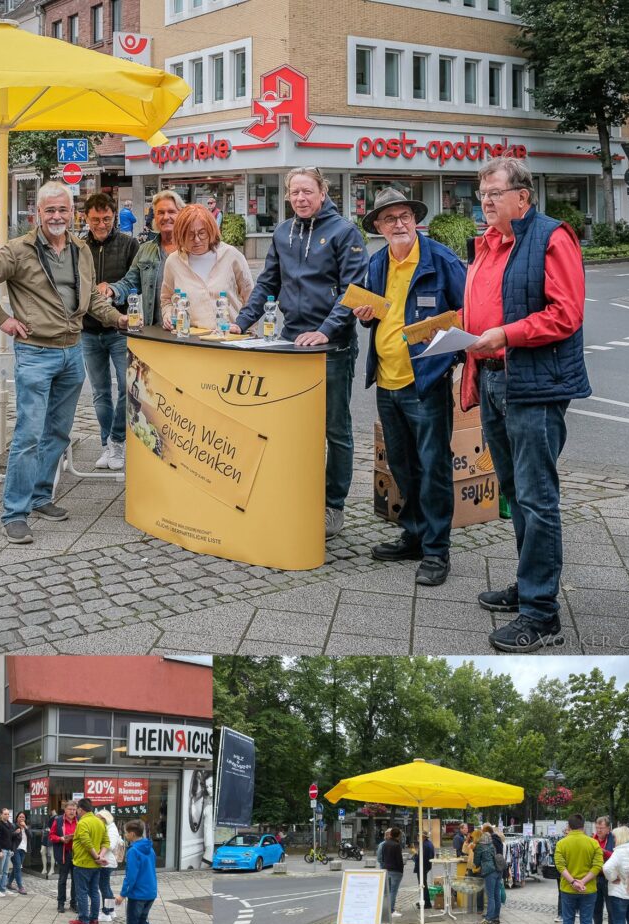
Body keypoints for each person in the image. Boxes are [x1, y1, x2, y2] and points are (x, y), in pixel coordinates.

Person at [461, 157, 589, 651]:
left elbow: (565, 315)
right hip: (495, 379)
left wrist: (504, 334)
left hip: (533, 385)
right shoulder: (489, 244)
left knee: (537, 499)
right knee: (515, 494)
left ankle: (541, 614)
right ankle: (529, 584)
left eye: (494, 192)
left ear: (523, 197)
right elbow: (491, 303)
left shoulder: (551, 237)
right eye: (482, 193)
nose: (486, 201)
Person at [0, 182, 128, 545]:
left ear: (72, 213)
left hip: (73, 352)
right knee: (27, 435)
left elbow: (90, 302)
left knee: (58, 432)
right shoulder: (18, 250)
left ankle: (41, 496)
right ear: (37, 214)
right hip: (36, 353)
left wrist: (119, 319)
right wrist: (2, 319)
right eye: (50, 211)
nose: (57, 216)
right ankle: (14, 513)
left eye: (63, 210)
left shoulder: (81, 249)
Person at [232, 168, 368, 538]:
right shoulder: (282, 232)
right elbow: (268, 284)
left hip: (333, 347)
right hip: (289, 343)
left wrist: (325, 332)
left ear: (322, 193)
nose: (301, 198)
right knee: (291, 427)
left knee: (335, 430)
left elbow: (354, 290)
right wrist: (241, 322)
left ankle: (332, 506)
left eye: (308, 191)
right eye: (294, 193)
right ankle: (295, 494)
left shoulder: (344, 232)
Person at [354, 187, 466, 583]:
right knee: (402, 464)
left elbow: (468, 309)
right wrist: (365, 315)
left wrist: (452, 351)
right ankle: (415, 534)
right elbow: (373, 313)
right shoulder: (377, 263)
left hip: (427, 382)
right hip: (387, 380)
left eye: (404, 216)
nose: (398, 224)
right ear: (379, 228)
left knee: (433, 467)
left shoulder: (441, 260)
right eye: (390, 219)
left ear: (415, 220)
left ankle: (437, 551)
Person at [81, 193, 139, 472]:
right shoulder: (78, 247)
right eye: (95, 219)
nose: (101, 224)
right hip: (88, 330)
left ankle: (117, 440)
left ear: (115, 216)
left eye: (106, 218)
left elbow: (136, 281)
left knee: (127, 387)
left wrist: (113, 289)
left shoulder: (129, 244)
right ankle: (107, 445)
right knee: (100, 391)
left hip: (120, 328)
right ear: (86, 218)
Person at [159, 203, 253, 331]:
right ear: (180, 235)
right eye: (190, 235)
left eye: (202, 233)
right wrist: (168, 315)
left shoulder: (231, 255)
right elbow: (166, 299)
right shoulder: (173, 261)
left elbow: (250, 298)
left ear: (211, 231)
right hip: (192, 341)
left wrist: (248, 331)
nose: (197, 240)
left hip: (231, 338)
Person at [105, 189, 183, 327]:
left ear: (181, 215)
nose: (165, 217)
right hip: (154, 331)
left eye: (171, 212)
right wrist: (112, 290)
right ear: (154, 218)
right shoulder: (146, 249)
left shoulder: (192, 250)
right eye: (160, 212)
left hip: (187, 330)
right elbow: (130, 283)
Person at [114, 818, 176, 924]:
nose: (125, 835)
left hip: (138, 894)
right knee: (141, 921)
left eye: (126, 833)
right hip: (150, 892)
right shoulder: (150, 848)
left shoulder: (134, 851)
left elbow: (131, 876)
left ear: (133, 834)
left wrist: (122, 894)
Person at [554, 813, 603, 924]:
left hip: (568, 889)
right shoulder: (593, 843)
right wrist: (583, 881)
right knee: (586, 922)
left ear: (568, 826)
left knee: (568, 921)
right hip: (588, 890)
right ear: (583, 826)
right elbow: (597, 866)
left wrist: (573, 881)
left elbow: (560, 865)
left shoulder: (562, 844)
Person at [70, 797, 109, 924]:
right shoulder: (100, 822)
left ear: (80, 809)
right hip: (96, 865)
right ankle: (94, 920)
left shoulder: (83, 823)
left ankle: (83, 920)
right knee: (94, 892)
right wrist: (100, 857)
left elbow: (86, 842)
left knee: (81, 892)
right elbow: (106, 842)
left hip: (83, 863)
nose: (76, 812)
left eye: (77, 810)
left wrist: (96, 856)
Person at [49, 800, 78, 913]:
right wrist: (60, 839)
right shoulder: (59, 820)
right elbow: (51, 836)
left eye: (74, 809)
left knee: (76, 880)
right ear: (65, 810)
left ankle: (74, 903)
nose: (72, 811)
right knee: (62, 880)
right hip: (64, 854)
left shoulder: (79, 820)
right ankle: (61, 903)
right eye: (70, 809)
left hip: (77, 854)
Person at [592, 816, 616, 924]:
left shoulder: (614, 839)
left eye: (601, 828)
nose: (599, 830)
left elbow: (617, 856)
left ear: (608, 829)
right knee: (596, 909)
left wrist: (604, 852)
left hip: (610, 879)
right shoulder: (592, 839)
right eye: (597, 827)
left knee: (612, 910)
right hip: (596, 878)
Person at [97, 809, 123, 922]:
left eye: (98, 818)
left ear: (104, 818)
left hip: (107, 862)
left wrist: (97, 851)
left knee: (104, 888)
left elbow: (110, 845)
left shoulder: (111, 828)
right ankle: (111, 910)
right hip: (106, 861)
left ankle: (106, 912)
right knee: (106, 887)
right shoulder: (109, 827)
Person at [473, 828, 501, 924]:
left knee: (491, 896)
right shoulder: (492, 846)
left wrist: (476, 864)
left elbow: (476, 862)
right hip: (498, 870)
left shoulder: (479, 847)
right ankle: (495, 916)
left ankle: (488, 919)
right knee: (497, 894)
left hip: (489, 872)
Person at [7, 810, 31, 895]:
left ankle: (8, 883)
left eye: (23, 817)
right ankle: (20, 887)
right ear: (17, 818)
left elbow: (30, 836)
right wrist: (15, 833)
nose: (21, 818)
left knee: (16, 868)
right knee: (18, 868)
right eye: (20, 817)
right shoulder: (13, 826)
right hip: (15, 849)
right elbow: (9, 836)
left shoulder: (26, 827)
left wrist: (25, 827)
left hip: (23, 850)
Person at [383, 827, 404, 917]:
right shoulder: (396, 845)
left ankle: (386, 909)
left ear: (391, 834)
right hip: (395, 871)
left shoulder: (385, 844)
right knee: (393, 892)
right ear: (399, 835)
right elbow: (399, 860)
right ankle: (391, 911)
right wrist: (401, 870)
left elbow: (383, 857)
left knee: (388, 891)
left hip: (387, 869)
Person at [0, 807, 14, 897]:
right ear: (1, 814)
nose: (7, 815)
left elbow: (10, 837)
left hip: (8, 850)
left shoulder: (9, 824)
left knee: (5, 871)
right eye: (5, 814)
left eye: (8, 814)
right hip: (2, 850)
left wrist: (11, 849)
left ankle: (3, 888)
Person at [414, 830, 435, 909]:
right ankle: (423, 901)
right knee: (423, 885)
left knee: (422, 885)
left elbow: (421, 858)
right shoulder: (428, 843)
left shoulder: (424, 845)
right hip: (425, 866)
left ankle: (426, 903)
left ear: (423, 837)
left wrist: (415, 856)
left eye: (419, 836)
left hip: (423, 867)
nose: (417, 837)